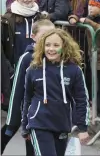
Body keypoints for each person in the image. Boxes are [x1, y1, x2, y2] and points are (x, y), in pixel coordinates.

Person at [21, 29, 90, 155]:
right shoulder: (33, 69)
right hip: (38, 123)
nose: (51, 49)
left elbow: (81, 100)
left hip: (61, 125)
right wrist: (25, 126)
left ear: (64, 47)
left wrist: (82, 128)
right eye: (47, 45)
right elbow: (27, 99)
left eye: (56, 45)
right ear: (42, 46)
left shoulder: (74, 71)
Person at [1, 19, 54, 156]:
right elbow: (17, 91)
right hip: (30, 113)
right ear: (33, 37)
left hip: (51, 114)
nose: (47, 40)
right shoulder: (26, 58)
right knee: (26, 144)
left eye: (52, 35)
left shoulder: (59, 58)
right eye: (44, 36)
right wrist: (12, 119)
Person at [1, 0, 42, 68]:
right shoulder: (7, 20)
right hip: (15, 70)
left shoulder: (41, 18)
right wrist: (9, 71)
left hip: (37, 69)